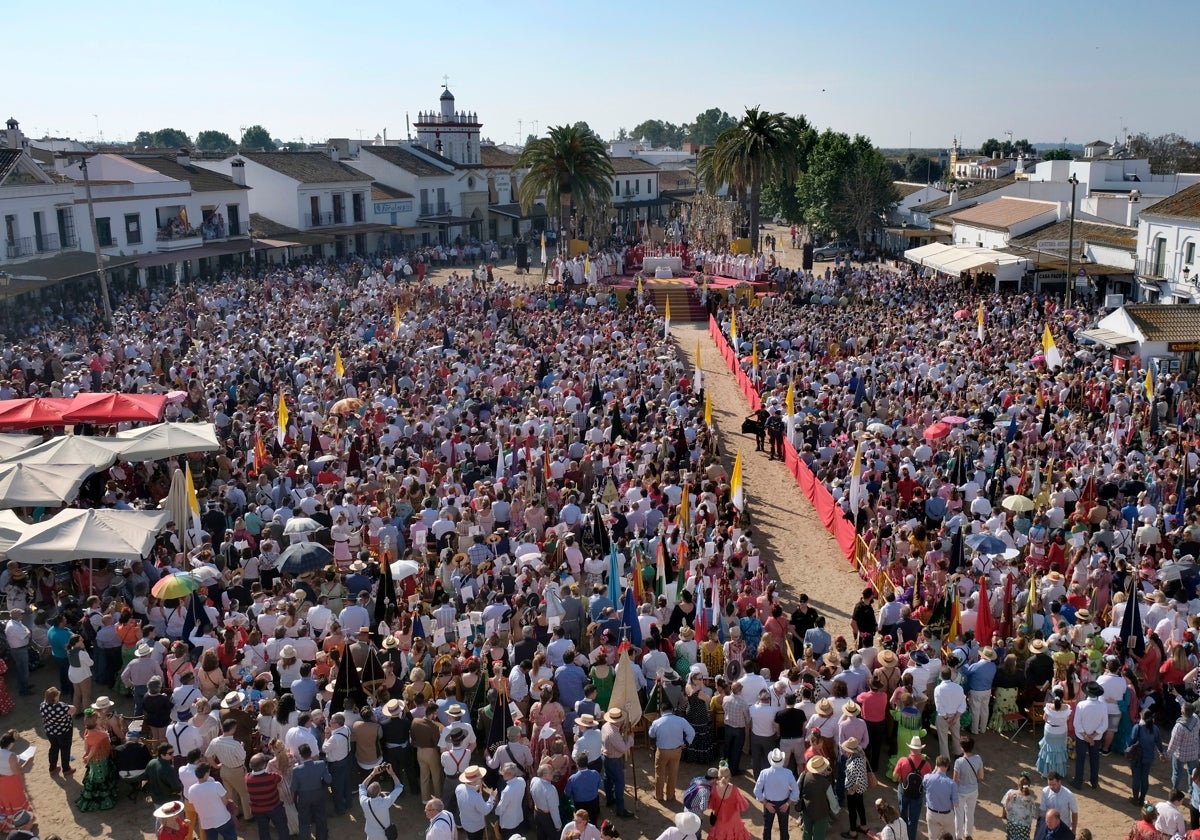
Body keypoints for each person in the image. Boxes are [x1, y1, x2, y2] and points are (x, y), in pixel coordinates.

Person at [648, 703, 694, 803]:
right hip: (676, 750)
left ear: (661, 711)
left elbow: (651, 734)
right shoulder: (681, 720)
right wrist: (685, 743)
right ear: (672, 710)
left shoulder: (657, 722)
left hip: (662, 751)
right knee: (673, 773)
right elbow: (691, 732)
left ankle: (659, 796)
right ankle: (670, 795)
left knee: (660, 774)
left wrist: (652, 724)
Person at [76, 711, 118, 811]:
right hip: (99, 758)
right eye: (98, 717)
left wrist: (86, 754)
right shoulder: (98, 735)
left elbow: (86, 746)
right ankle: (102, 801)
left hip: (98, 758)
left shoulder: (90, 730)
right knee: (100, 778)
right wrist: (88, 756)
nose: (101, 717)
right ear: (95, 721)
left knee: (96, 775)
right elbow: (93, 748)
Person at [753, 749, 799, 840]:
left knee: (767, 829)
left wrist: (766, 803)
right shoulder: (788, 773)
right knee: (784, 830)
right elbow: (796, 791)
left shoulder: (764, 773)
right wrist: (787, 804)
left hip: (769, 804)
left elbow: (756, 791)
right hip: (784, 804)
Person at [291, 742, 331, 840]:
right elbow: (329, 780)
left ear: (300, 755)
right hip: (318, 796)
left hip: (304, 798)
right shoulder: (321, 764)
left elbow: (293, 788)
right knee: (320, 818)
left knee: (304, 822)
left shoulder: (296, 770)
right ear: (311, 752)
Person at [891, 735, 929, 840]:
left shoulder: (902, 760)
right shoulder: (926, 765)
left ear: (910, 748)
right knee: (914, 819)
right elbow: (927, 781)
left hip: (904, 791)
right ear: (920, 749)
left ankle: (902, 836)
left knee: (903, 816)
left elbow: (894, 776)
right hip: (917, 794)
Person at [188, 761, 237, 840]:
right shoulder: (216, 785)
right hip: (222, 819)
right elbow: (225, 801)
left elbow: (194, 805)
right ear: (206, 773)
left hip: (206, 822)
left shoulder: (191, 790)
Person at [246, 751, 289, 840]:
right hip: (275, 808)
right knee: (282, 829)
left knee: (263, 831)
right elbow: (280, 779)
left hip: (258, 810)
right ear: (263, 766)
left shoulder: (247, 778)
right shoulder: (272, 777)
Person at [1072, 682, 1107, 790]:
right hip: (1095, 738)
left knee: (1080, 759)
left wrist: (1086, 736)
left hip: (1082, 737)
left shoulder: (1081, 705)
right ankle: (1094, 781)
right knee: (1094, 759)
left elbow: (1076, 723)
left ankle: (1078, 781)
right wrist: (1092, 736)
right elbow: (1104, 725)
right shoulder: (1103, 706)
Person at [600, 708, 634, 818]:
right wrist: (630, 739)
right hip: (614, 760)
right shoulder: (613, 734)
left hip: (606, 757)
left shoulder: (605, 726)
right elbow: (624, 748)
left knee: (608, 779)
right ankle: (620, 809)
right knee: (619, 783)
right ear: (617, 721)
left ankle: (610, 799)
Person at [1127, 708, 1164, 805]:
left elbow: (1131, 741)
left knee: (1136, 778)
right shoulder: (1155, 729)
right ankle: (1141, 798)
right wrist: (1161, 753)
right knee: (1144, 778)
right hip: (1148, 757)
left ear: (1141, 716)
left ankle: (1135, 798)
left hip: (1137, 757)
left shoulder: (1137, 727)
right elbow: (1159, 743)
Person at [797, 754, 837, 840]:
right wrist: (836, 809)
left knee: (807, 833)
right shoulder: (825, 783)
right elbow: (832, 800)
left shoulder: (805, 775)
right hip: (821, 814)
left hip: (807, 811)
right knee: (819, 835)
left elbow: (798, 788)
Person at [359, 763, 403, 840]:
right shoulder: (385, 802)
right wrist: (392, 773)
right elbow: (399, 787)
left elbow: (362, 786)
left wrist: (373, 773)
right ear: (379, 792)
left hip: (370, 835)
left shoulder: (363, 801)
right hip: (383, 836)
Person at [952, 736, 984, 840]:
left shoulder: (959, 762)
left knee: (959, 816)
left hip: (961, 791)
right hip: (973, 790)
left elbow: (955, 779)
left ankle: (958, 837)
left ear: (962, 748)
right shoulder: (978, 758)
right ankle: (968, 834)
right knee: (970, 814)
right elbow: (981, 776)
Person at [38, 687, 75, 775]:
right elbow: (73, 709)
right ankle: (66, 769)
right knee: (65, 749)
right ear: (54, 697)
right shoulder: (61, 706)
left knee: (54, 748)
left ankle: (52, 768)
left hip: (50, 731)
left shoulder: (43, 705)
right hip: (64, 731)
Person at [709, 762, 750, 840]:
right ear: (729, 776)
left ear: (719, 776)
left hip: (720, 820)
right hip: (733, 821)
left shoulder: (714, 789)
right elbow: (744, 805)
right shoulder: (734, 789)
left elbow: (712, 805)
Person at [922, 755, 958, 840]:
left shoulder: (927, 778)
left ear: (936, 764)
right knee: (950, 837)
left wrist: (934, 771)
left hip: (932, 814)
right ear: (947, 766)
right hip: (947, 815)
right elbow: (956, 804)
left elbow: (924, 783)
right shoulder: (952, 784)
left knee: (932, 837)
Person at [1037, 692, 1071, 779]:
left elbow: (1044, 718)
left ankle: (1047, 772)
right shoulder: (1067, 707)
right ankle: (1059, 772)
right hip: (1061, 732)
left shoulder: (1048, 706)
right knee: (1059, 751)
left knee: (1048, 751)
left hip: (1050, 731)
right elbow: (1067, 718)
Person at [840, 738, 869, 839]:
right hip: (859, 790)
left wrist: (851, 791)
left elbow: (859, 779)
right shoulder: (860, 755)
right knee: (860, 807)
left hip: (854, 790)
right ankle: (864, 827)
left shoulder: (856, 761)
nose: (845, 751)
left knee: (852, 811)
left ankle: (853, 832)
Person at [1169, 700, 1200, 793]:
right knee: (1192, 773)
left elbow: (1173, 743)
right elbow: (1185, 704)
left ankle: (1175, 791)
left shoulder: (1179, 726)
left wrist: (1167, 755)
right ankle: (1191, 793)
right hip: (1193, 753)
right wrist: (1177, 696)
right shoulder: (1196, 719)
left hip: (1180, 754)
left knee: (1177, 774)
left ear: (1182, 712)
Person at [1001, 773, 1039, 840]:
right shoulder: (1031, 799)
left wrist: (1004, 815)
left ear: (1018, 784)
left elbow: (1004, 805)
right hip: (1024, 827)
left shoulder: (1010, 793)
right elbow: (1033, 813)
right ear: (1029, 785)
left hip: (1012, 824)